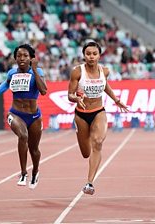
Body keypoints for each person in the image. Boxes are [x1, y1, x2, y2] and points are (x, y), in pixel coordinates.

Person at [0, 44, 47, 189]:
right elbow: (6, 84)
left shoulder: (38, 71)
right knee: (23, 136)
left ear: (31, 58)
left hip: (34, 116)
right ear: (15, 58)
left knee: (34, 149)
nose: (22, 58)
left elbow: (43, 91)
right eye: (19, 56)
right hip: (15, 113)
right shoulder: (12, 73)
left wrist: (34, 70)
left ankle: (35, 172)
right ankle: (23, 172)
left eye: (25, 56)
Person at [67, 41, 129, 195]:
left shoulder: (105, 71)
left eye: (94, 54)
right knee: (86, 153)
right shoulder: (77, 72)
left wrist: (116, 99)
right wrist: (75, 99)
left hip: (98, 112)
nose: (91, 57)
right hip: (81, 115)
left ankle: (89, 183)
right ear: (84, 55)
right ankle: (84, 135)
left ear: (99, 55)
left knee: (98, 142)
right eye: (88, 54)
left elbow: (105, 85)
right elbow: (70, 94)